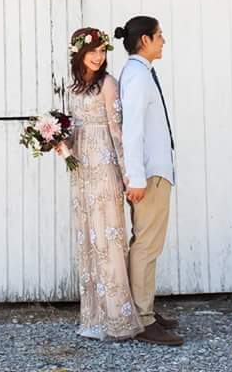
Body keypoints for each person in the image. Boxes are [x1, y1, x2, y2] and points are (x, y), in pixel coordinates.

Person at [64, 27, 144, 341]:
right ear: (79, 54)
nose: (98, 57)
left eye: (102, 51)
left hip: (105, 168)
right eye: (92, 51)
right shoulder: (72, 88)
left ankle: (118, 319)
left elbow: (118, 132)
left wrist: (128, 176)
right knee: (88, 241)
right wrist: (57, 143)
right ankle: (95, 317)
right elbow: (71, 132)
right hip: (81, 171)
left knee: (109, 241)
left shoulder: (108, 84)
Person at [115, 16, 183, 346]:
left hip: (157, 172)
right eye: (159, 35)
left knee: (150, 245)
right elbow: (133, 131)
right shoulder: (138, 76)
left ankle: (147, 311)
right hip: (150, 175)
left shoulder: (140, 72)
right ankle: (141, 319)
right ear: (144, 40)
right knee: (145, 245)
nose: (164, 41)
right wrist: (137, 178)